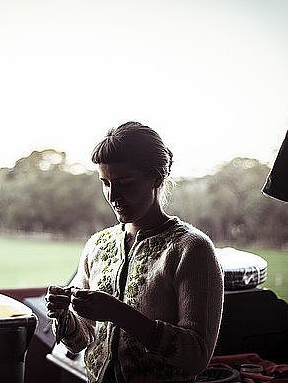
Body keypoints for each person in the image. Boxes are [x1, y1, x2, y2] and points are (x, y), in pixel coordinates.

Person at [46, 121, 224, 383]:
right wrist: (64, 316)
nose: (113, 195)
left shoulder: (191, 249)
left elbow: (196, 356)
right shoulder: (97, 245)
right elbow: (80, 341)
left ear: (157, 177)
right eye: (105, 183)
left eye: (125, 183)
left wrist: (120, 314)